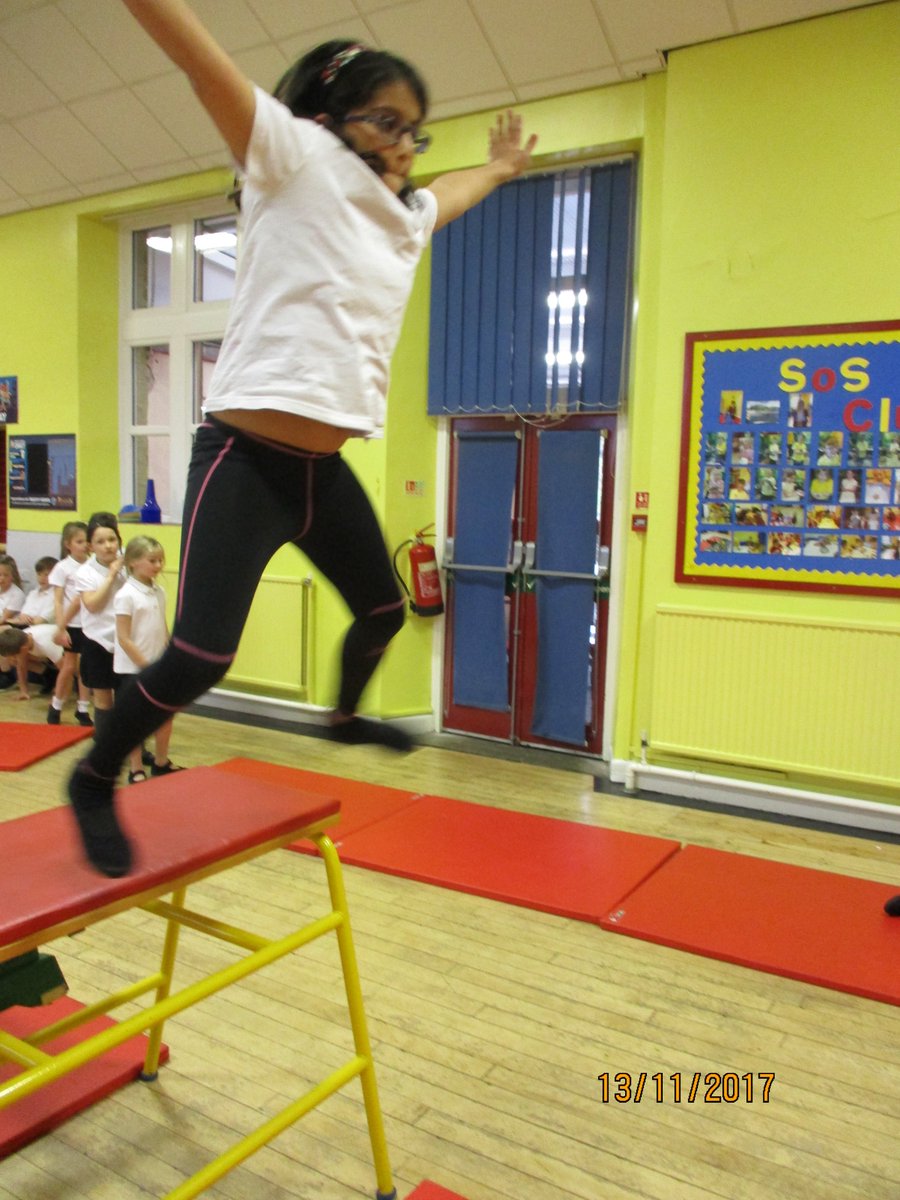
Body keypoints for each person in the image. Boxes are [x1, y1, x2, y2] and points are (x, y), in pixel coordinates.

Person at [67, 0, 538, 877]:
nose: (405, 146)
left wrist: (502, 168)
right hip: (244, 461)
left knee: (384, 611)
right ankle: (93, 779)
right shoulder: (294, 157)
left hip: (323, 470)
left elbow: (452, 193)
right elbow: (200, 62)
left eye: (415, 132)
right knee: (202, 654)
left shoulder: (403, 214)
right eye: (387, 122)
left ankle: (344, 717)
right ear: (331, 114)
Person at [114, 536, 182, 783]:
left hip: (157, 665)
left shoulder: (159, 591)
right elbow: (124, 638)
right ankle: (136, 769)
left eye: (160, 560)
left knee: (165, 716)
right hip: (134, 668)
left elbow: (161, 627)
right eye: (152, 560)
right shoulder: (126, 595)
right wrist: (145, 666)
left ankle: (161, 762)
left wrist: (169, 656)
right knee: (134, 721)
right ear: (132, 562)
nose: (158, 565)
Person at [72, 513, 126, 744]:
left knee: (129, 699)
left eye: (112, 540)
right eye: (100, 542)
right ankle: (104, 748)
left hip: (126, 641)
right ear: (91, 546)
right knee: (104, 700)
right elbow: (93, 605)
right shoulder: (85, 572)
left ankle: (134, 748)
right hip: (98, 643)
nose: (108, 546)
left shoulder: (127, 561)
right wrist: (112, 574)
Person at [48, 521, 94, 726]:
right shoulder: (63, 567)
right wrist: (61, 626)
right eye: (79, 541)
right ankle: (56, 705)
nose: (84, 545)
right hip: (72, 624)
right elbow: (58, 600)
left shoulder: (92, 564)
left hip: (90, 624)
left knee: (86, 667)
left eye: (86, 541)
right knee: (68, 666)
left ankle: (82, 708)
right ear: (68, 544)